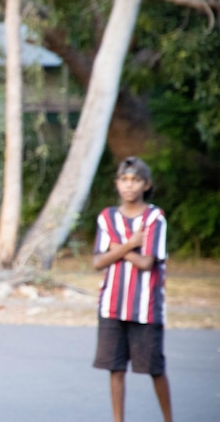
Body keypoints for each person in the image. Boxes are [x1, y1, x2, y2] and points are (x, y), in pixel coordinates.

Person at [92, 156, 172, 422]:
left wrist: (116, 248)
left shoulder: (154, 218)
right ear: (116, 184)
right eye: (124, 179)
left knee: (154, 367)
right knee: (115, 368)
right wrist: (130, 245)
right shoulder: (107, 217)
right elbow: (97, 261)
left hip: (145, 308)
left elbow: (147, 262)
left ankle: (168, 417)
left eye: (135, 180)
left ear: (146, 184)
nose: (129, 185)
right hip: (111, 306)